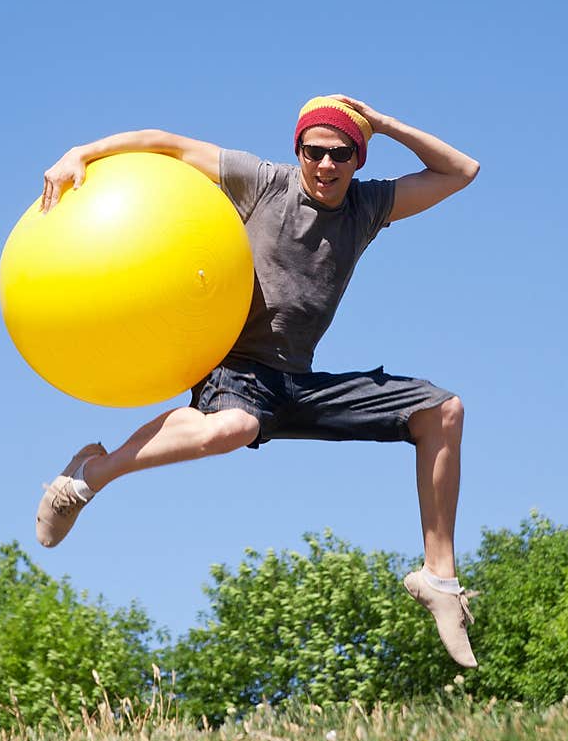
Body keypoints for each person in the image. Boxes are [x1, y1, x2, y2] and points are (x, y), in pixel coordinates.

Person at [35, 94, 481, 667]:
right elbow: (167, 143)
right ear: (298, 151)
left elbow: (460, 171)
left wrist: (385, 122)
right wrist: (82, 152)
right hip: (238, 372)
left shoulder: (367, 207)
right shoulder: (263, 181)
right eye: (314, 152)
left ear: (357, 158)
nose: (325, 165)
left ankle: (438, 579)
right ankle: (84, 478)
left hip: (298, 383)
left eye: (340, 153)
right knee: (235, 426)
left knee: (443, 411)